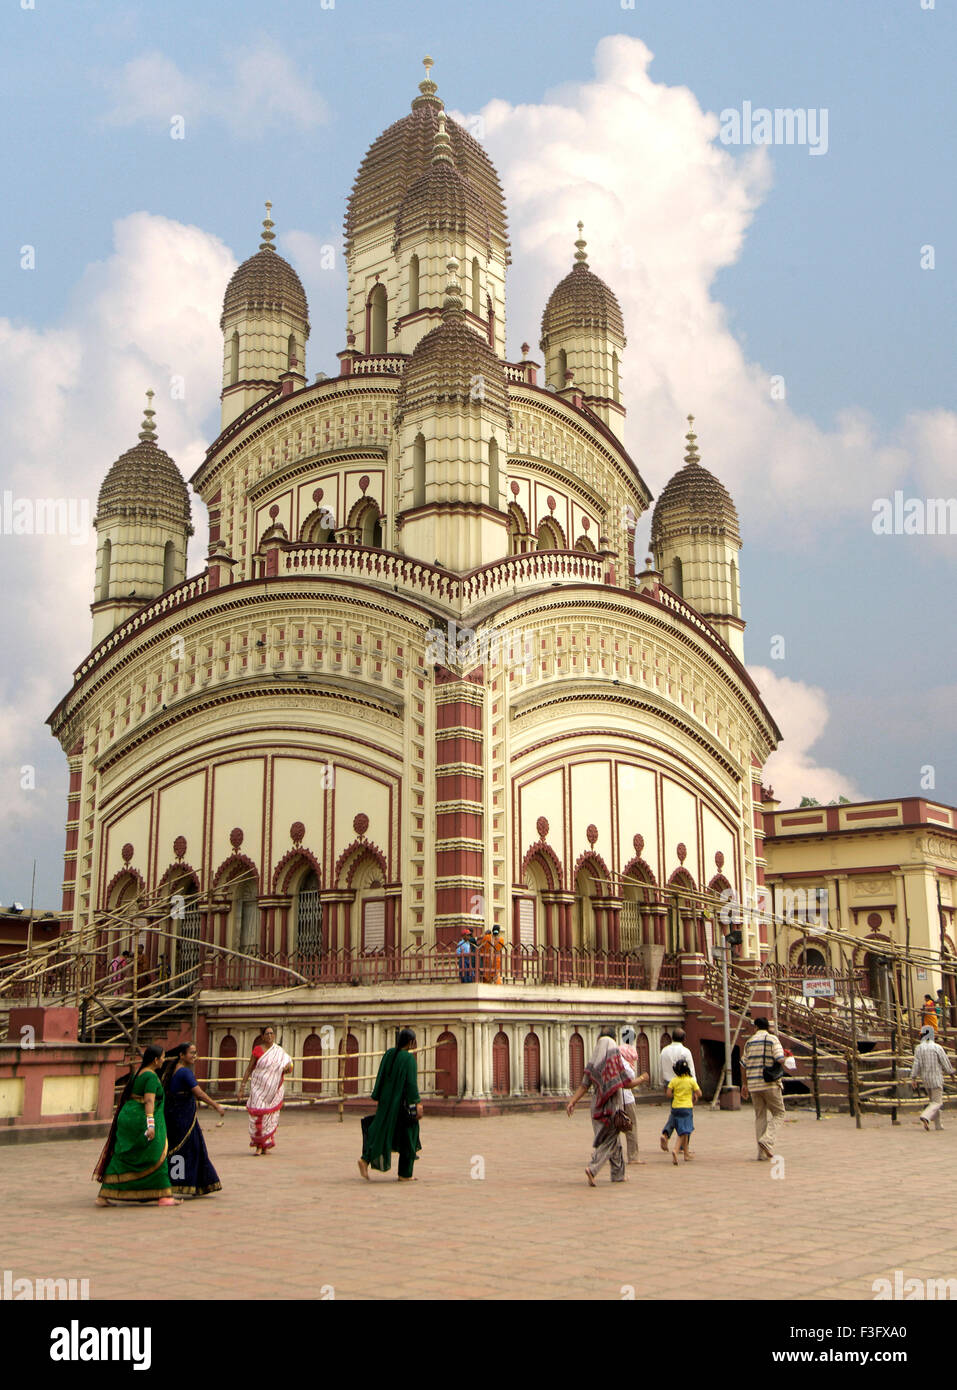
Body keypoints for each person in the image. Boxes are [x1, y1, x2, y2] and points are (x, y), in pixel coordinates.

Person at [93, 1044, 176, 1206]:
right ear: (155, 1060)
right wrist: (151, 1125)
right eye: (163, 1057)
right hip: (141, 1121)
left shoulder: (138, 1075)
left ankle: (104, 1195)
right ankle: (164, 1195)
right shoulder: (151, 1077)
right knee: (157, 1155)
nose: (164, 1061)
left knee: (123, 1156)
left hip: (128, 1118)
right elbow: (149, 1100)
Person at [566, 1025, 636, 1186]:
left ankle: (618, 1174)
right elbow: (628, 1083)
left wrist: (572, 1102)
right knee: (610, 1140)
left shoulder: (594, 1063)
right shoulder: (615, 1058)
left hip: (597, 1106)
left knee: (614, 1139)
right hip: (612, 1105)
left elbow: (584, 1085)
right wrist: (643, 1079)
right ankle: (593, 1168)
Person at [358, 1028, 422, 1181]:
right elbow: (411, 1084)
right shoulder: (408, 1059)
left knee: (382, 1131)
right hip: (402, 1105)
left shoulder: (389, 1054)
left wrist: (378, 1096)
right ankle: (405, 1174)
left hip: (386, 1103)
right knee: (410, 1134)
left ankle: (365, 1159)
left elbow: (380, 1076)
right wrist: (417, 1103)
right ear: (411, 1042)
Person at [161, 1042, 225, 1196]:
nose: (194, 1056)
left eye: (195, 1053)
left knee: (180, 1148)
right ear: (182, 1055)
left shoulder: (173, 1070)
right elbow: (199, 1093)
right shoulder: (184, 1072)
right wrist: (216, 1105)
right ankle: (182, 1183)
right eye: (191, 1053)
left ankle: (188, 1184)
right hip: (183, 1118)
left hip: (175, 1115)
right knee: (190, 1149)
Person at [239, 1024, 293, 1154]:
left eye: (271, 1033)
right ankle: (258, 1145)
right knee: (257, 1116)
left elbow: (289, 1067)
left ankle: (264, 1145)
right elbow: (249, 1068)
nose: (269, 1036)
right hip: (258, 1088)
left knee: (269, 1117)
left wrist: (287, 1068)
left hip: (273, 1090)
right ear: (262, 1037)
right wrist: (242, 1086)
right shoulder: (258, 1050)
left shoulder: (279, 1051)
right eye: (267, 1034)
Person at [742, 1016, 786, 1160]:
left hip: (754, 1085)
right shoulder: (773, 1039)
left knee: (760, 1116)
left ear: (755, 1028)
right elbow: (780, 1058)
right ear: (768, 1027)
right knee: (779, 1113)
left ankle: (761, 1154)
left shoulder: (749, 1043)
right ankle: (767, 1140)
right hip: (770, 1084)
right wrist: (787, 1057)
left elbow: (743, 1064)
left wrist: (745, 1085)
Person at [659, 1027, 698, 1153]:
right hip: (685, 1084)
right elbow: (691, 1070)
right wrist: (695, 1089)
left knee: (675, 1112)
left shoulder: (664, 1051)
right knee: (687, 1115)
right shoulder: (685, 1051)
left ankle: (666, 1133)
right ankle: (683, 1147)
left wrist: (663, 1085)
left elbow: (661, 1069)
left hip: (670, 1083)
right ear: (684, 1038)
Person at [909, 1024, 954, 1131]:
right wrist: (951, 1073)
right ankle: (925, 1116)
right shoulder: (937, 1047)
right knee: (937, 1102)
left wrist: (913, 1078)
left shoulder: (919, 1048)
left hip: (926, 1079)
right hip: (936, 1079)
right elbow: (945, 1062)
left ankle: (938, 1125)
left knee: (933, 1103)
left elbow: (916, 1064)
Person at [618, 1027, 650, 1164]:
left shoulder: (617, 1050)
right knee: (631, 1125)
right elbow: (630, 1076)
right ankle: (633, 1156)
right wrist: (642, 1078)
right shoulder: (630, 1050)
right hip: (627, 1094)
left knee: (613, 1126)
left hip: (615, 1093)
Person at [665, 1058, 702, 1164]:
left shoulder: (674, 1080)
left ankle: (686, 1154)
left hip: (675, 1107)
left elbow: (668, 1094)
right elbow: (699, 1093)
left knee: (685, 1131)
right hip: (687, 1108)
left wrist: (676, 1095)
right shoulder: (691, 1080)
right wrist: (693, 1095)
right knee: (684, 1131)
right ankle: (676, 1150)